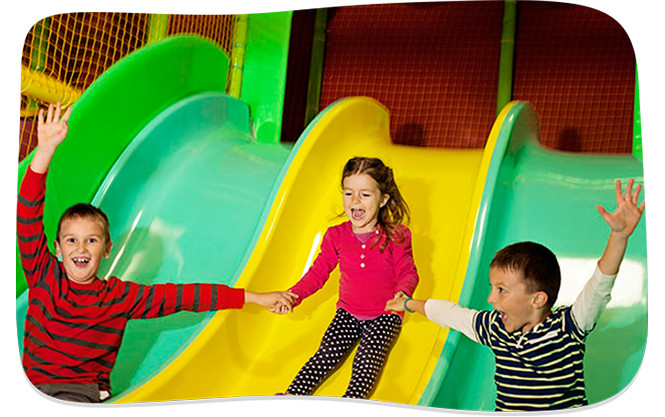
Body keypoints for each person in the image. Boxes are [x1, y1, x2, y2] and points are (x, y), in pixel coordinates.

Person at [17, 103, 297, 403]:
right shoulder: (44, 275)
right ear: (57, 249)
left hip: (79, 394)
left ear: (108, 249)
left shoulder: (118, 297)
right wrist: (44, 152)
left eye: (92, 241)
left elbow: (189, 297)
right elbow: (28, 215)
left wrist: (254, 297)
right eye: (71, 241)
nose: (81, 248)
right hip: (30, 389)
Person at [386, 178, 645, 411]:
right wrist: (409, 303)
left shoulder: (568, 327)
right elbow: (451, 314)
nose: (490, 298)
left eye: (501, 290)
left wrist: (619, 236)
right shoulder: (495, 327)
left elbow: (599, 287)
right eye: (492, 288)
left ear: (538, 299)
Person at [272, 156, 419, 399]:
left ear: (383, 199)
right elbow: (318, 272)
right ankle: (292, 398)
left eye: (365, 194)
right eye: (349, 193)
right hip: (348, 312)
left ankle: (350, 406)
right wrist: (293, 295)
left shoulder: (397, 235)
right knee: (325, 355)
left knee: (365, 361)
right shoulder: (336, 235)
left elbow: (408, 270)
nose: (355, 201)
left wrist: (403, 292)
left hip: (385, 314)